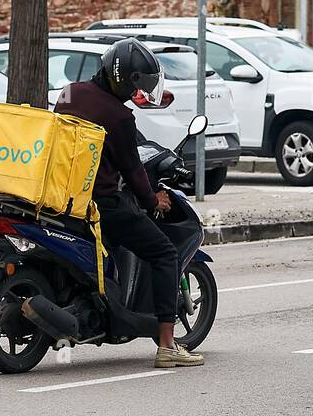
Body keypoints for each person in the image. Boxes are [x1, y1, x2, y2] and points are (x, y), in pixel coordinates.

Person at [55, 38, 203, 368]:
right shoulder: (119, 116)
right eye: (140, 83)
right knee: (164, 252)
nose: (141, 91)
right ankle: (167, 345)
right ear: (125, 80)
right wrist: (154, 200)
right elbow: (133, 171)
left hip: (61, 198)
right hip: (102, 205)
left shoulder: (70, 93)